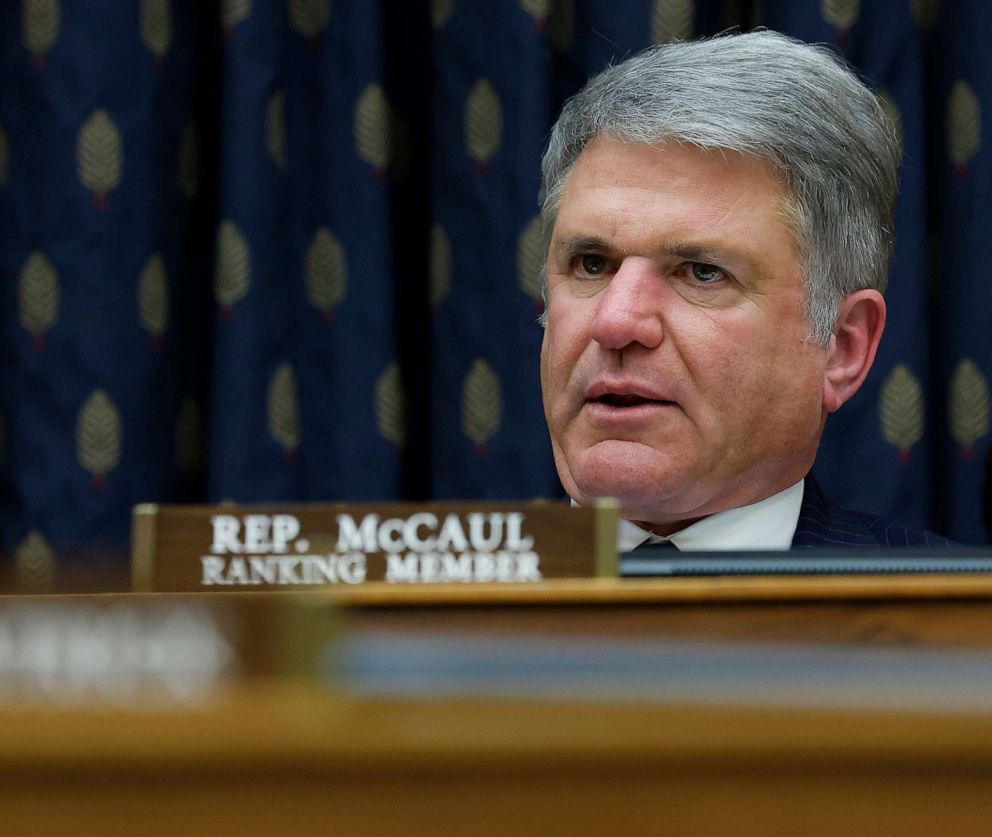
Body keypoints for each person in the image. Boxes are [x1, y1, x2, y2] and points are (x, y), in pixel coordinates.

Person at [538, 30, 950, 551]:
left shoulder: (959, 620)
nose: (615, 322)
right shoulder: (422, 612)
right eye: (591, 264)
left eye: (702, 272)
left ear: (842, 348)